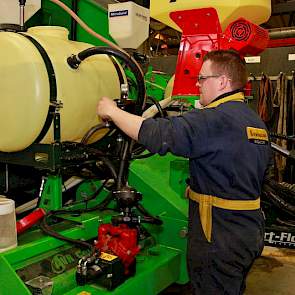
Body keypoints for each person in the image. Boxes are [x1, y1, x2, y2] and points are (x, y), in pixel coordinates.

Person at [96, 50, 271, 295]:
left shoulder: (213, 119)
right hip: (249, 230)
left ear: (222, 82)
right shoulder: (255, 122)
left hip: (219, 236)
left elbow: (157, 134)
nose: (198, 84)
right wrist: (203, 186)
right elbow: (244, 169)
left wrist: (112, 112)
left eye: (203, 78)